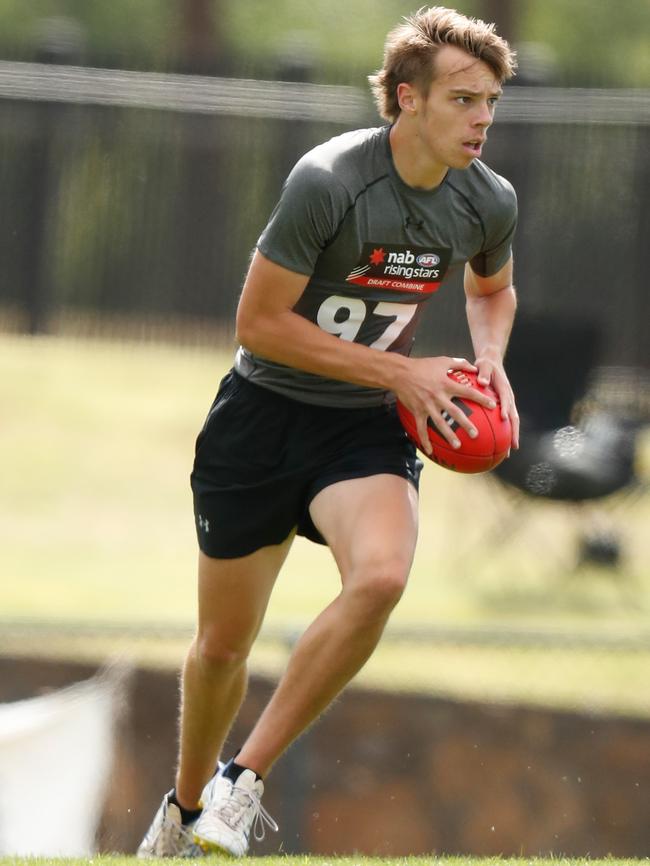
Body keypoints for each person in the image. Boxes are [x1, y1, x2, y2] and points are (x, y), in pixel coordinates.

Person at [137, 5, 519, 858]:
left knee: (381, 577)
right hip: (262, 417)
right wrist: (404, 371)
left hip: (363, 429)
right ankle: (183, 808)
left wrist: (487, 357)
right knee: (221, 646)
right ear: (407, 100)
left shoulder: (488, 199)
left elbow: (491, 290)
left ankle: (243, 784)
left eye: (492, 98)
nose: (483, 117)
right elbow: (260, 324)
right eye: (464, 98)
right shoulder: (330, 180)